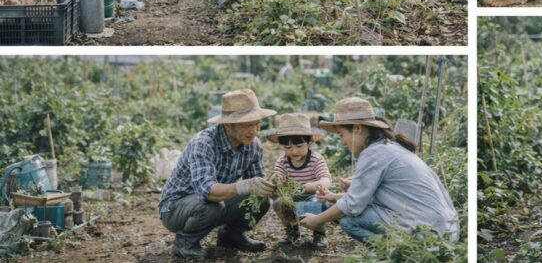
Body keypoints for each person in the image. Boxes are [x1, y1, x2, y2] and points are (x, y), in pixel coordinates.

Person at [298, 97, 459, 242]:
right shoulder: (388, 147)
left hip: (430, 233)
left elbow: (353, 205)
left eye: (341, 134)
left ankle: (396, 255)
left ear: (358, 129)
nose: (342, 142)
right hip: (446, 229)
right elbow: (380, 196)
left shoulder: (373, 153)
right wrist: (335, 196)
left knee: (349, 220)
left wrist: (318, 220)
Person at [158, 89, 276, 259]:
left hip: (212, 202)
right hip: (175, 208)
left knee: (260, 198)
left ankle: (231, 235)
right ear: (228, 124)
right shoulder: (204, 143)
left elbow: (257, 181)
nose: (254, 130)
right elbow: (207, 192)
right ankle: (184, 242)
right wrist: (245, 185)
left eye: (257, 123)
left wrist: (271, 186)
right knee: (212, 206)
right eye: (247, 124)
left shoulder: (253, 145)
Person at [265, 113, 332, 249]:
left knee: (317, 202)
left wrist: (307, 187)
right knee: (279, 202)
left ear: (309, 142)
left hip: (312, 196)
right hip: (292, 198)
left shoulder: (316, 159)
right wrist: (277, 182)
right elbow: (278, 178)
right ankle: (292, 230)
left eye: (299, 146)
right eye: (288, 148)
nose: (294, 151)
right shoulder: (282, 162)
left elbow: (326, 180)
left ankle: (319, 232)